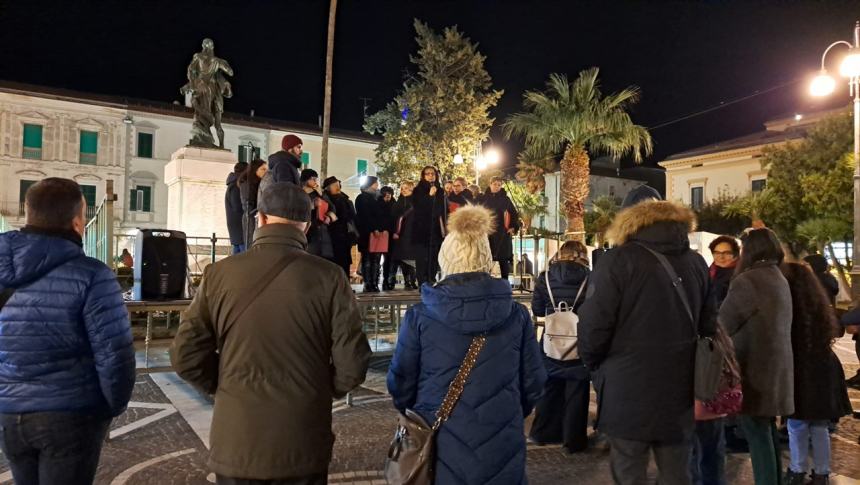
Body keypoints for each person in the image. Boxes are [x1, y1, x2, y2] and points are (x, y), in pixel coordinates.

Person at [171, 182, 371, 485]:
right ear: (306, 225)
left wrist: (222, 384)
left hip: (237, 438)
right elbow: (352, 363)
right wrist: (321, 389)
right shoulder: (329, 277)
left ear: (260, 219)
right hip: (303, 436)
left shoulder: (219, 274)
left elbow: (185, 355)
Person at [387, 204, 547, 484]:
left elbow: (401, 382)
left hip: (438, 437)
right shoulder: (516, 315)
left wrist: (417, 411)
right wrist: (508, 410)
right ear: (486, 258)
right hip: (502, 436)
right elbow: (533, 381)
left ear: (445, 259)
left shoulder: (420, 316)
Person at [0, 178, 136, 485]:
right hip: (70, 413)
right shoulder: (93, 275)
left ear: (28, 213)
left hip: (9, 412)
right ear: (78, 222)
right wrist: (111, 408)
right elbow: (115, 355)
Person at [578, 188, 716, 485]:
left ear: (627, 219)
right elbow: (709, 325)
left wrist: (595, 365)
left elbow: (593, 327)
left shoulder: (617, 261)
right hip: (681, 387)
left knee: (629, 470)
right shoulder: (696, 263)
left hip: (626, 387)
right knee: (678, 473)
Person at [719, 228, 794, 485]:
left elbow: (723, 323)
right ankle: (774, 479)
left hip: (754, 370)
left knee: (757, 432)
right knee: (766, 430)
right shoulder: (777, 277)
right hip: (776, 369)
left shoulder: (748, 281)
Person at [781, 263, 852, 485]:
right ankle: (821, 472)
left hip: (801, 370)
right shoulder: (818, 304)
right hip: (824, 367)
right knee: (819, 425)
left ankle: (797, 469)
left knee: (796, 424)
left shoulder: (789, 307)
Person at [529, 241, 592, 453]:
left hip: (551, 342)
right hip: (580, 342)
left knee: (549, 389)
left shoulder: (544, 277)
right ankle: (573, 441)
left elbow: (537, 309)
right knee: (577, 392)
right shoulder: (590, 278)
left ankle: (544, 433)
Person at [478, 177, 520, 280]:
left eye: (499, 185)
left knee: (503, 259)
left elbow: (513, 213)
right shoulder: (483, 198)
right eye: (495, 184)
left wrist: (513, 227)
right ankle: (485, 282)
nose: (497, 186)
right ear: (490, 184)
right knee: (486, 258)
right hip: (487, 233)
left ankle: (505, 283)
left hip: (502, 233)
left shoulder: (505, 199)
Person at [412, 166, 447, 286]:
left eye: (433, 174)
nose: (430, 176)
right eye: (428, 174)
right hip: (421, 228)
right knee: (422, 256)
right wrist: (430, 196)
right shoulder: (418, 190)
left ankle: (431, 277)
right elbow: (418, 208)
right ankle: (422, 281)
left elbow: (442, 209)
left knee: (434, 255)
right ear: (423, 176)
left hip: (435, 228)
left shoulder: (440, 191)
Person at [355, 176, 385, 292]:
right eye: (375, 183)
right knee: (367, 258)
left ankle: (375, 282)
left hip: (378, 234)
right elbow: (365, 216)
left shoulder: (378, 198)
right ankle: (368, 283)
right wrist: (374, 228)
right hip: (366, 233)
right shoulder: (362, 198)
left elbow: (381, 215)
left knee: (376, 259)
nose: (377, 185)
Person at [324, 176, 357, 277]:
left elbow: (351, 215)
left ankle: (345, 284)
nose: (337, 187)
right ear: (328, 187)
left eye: (338, 184)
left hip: (345, 234)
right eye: (334, 185)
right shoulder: (326, 199)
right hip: (331, 235)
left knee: (345, 261)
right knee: (334, 261)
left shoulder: (344, 198)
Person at [301, 168, 336, 260]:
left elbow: (331, 207)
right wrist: (313, 204)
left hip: (322, 228)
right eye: (313, 179)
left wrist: (329, 217)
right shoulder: (300, 193)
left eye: (316, 179)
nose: (315, 181)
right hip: (308, 229)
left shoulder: (320, 193)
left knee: (323, 257)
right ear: (306, 179)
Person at [391, 181, 419, 290]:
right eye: (402, 188)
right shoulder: (398, 202)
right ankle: (407, 281)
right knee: (403, 258)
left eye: (406, 188)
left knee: (412, 258)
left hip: (412, 234)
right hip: (401, 235)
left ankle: (413, 280)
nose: (403, 190)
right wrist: (395, 231)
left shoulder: (416, 202)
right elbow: (394, 218)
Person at [239, 159, 267, 249]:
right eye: (263, 169)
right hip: (251, 219)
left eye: (267, 169)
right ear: (255, 170)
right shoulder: (247, 184)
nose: (266, 172)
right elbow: (248, 206)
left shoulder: (260, 183)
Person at [708, 235, 739, 307]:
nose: (721, 257)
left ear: (735, 255)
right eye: (717, 253)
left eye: (726, 253)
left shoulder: (738, 275)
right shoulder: (710, 271)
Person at [226, 161, 248, 254]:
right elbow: (237, 206)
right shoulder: (236, 186)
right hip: (239, 225)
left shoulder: (233, 184)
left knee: (238, 254)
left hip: (236, 226)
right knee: (243, 255)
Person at [379, 186, 398, 291]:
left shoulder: (394, 204)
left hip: (391, 235)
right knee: (378, 258)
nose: (388, 197)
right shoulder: (378, 204)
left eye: (389, 195)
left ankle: (388, 280)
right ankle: (380, 280)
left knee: (389, 259)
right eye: (386, 195)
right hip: (381, 234)